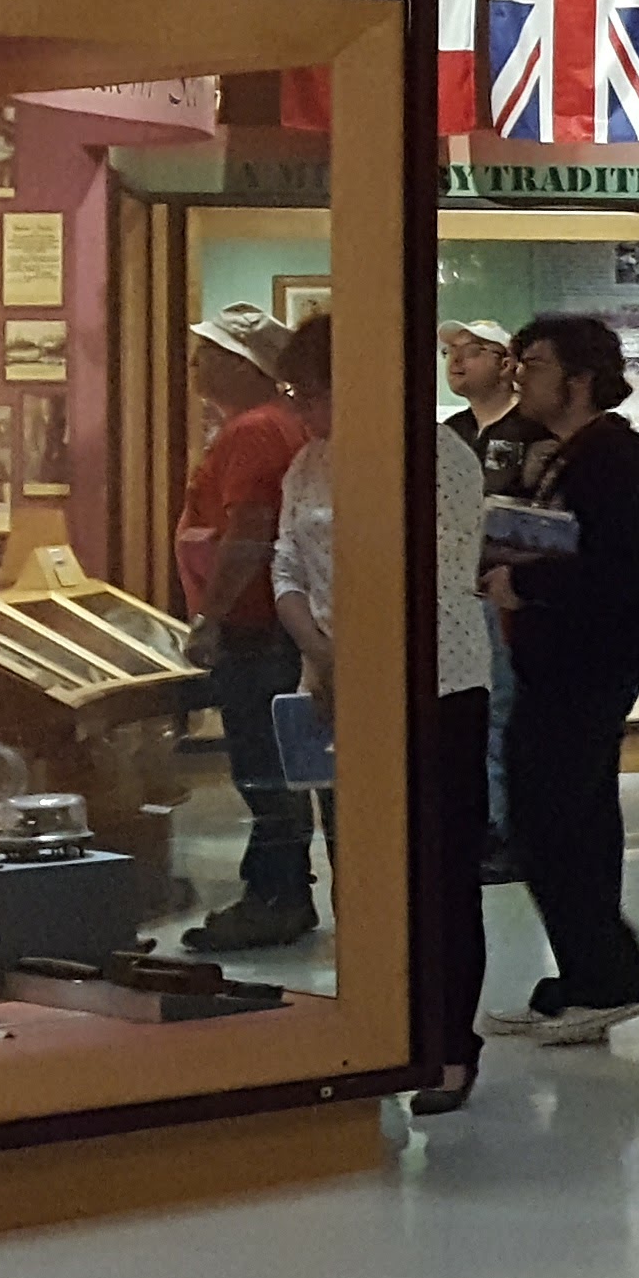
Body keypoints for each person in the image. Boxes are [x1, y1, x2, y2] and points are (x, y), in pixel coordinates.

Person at [293, 318, 499, 1110]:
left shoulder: (439, 457)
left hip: (437, 686)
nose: (304, 409)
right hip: (338, 686)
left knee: (441, 872)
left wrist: (359, 658)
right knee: (359, 867)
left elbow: (435, 577)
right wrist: (319, 650)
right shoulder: (310, 462)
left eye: (313, 392)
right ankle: (374, 1029)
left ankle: (449, 1044)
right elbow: (286, 561)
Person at [481, 313, 639, 1045]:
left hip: (586, 664)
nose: (520, 378)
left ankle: (613, 975)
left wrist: (527, 587)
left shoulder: (611, 458)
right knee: (563, 818)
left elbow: (616, 572)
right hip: (558, 661)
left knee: (553, 817)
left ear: (580, 380)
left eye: (534, 365)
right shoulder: (565, 454)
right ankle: (586, 976)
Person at [177, 303, 318, 951]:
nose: (195, 364)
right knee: (277, 764)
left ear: (241, 364)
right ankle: (280, 890)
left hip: (256, 625)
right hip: (272, 622)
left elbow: (249, 531)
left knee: (264, 767)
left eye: (208, 353)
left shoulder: (254, 430)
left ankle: (275, 897)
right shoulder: (279, 423)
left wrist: (212, 615)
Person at [440, 320, 533, 878]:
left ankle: (507, 830)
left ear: (504, 363)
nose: (456, 361)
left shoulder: (532, 432)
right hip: (454, 599)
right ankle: (477, 824)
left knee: (505, 713)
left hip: (511, 598)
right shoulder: (446, 435)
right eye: (450, 352)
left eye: (472, 351)